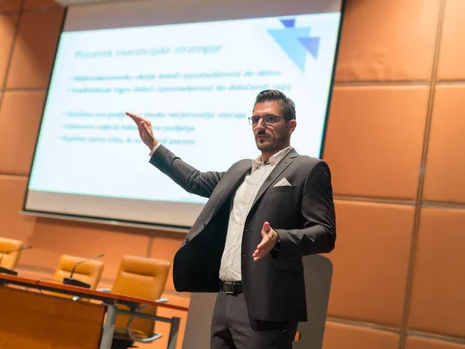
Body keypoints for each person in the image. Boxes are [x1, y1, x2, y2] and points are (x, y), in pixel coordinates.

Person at [126, 89, 336, 349]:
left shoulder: (307, 169)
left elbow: (325, 233)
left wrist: (280, 238)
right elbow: (195, 180)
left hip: (267, 304)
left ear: (291, 125)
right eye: (255, 119)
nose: (260, 126)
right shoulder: (240, 170)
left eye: (269, 119)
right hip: (225, 298)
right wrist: (154, 146)